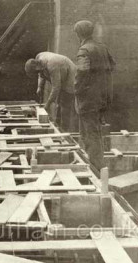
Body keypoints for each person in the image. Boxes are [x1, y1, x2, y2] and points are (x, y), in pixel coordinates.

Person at [74, 20, 115, 171]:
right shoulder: (102, 47)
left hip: (88, 101)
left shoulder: (84, 51)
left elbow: (80, 76)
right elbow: (112, 66)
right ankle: (96, 165)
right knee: (95, 132)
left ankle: (96, 170)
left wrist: (77, 92)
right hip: (103, 98)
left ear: (78, 34)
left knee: (89, 135)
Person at [25, 52, 76, 131]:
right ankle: (58, 126)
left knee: (65, 105)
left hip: (70, 75)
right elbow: (41, 74)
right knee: (58, 104)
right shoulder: (38, 57)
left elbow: (56, 87)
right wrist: (39, 87)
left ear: (36, 67)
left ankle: (64, 131)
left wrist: (47, 105)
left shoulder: (52, 65)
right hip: (61, 72)